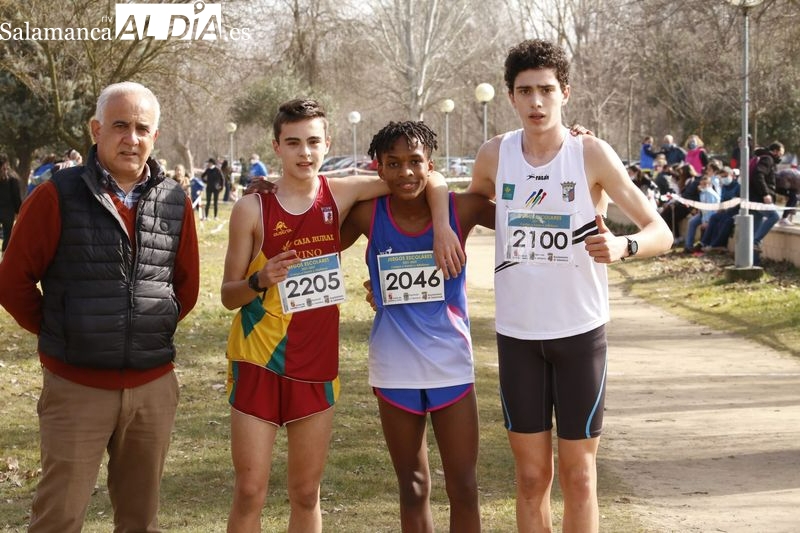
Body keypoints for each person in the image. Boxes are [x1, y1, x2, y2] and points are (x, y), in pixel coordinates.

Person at [220, 98, 463, 533]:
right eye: (293, 142)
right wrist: (260, 280)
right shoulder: (251, 209)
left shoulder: (341, 192)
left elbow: (426, 175)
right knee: (250, 491)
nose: (305, 152)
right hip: (258, 360)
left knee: (306, 493)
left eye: (313, 142)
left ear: (327, 144)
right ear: (276, 146)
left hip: (316, 365)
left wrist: (443, 223)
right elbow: (227, 295)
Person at [465, 39, 672, 533]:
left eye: (546, 90)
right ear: (511, 97)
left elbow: (660, 231)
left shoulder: (590, 153)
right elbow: (465, 212)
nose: (536, 102)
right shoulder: (494, 154)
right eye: (525, 91)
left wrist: (623, 246)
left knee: (579, 476)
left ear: (565, 93)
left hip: (580, 333)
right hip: (518, 336)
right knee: (531, 477)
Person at [0, 81, 200, 532]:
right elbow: (12, 283)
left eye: (142, 129)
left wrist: (149, 328)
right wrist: (62, 329)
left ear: (155, 136)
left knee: (140, 520)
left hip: (152, 388)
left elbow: (185, 287)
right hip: (77, 387)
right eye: (120, 125)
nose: (132, 138)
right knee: (58, 518)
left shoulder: (175, 200)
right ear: (96, 129)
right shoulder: (56, 195)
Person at [340, 121, 494, 533]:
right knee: (412, 486)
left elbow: (523, 217)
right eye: (393, 163)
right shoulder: (369, 214)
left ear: (431, 165)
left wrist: (574, 160)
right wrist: (271, 194)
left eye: (414, 162)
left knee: (464, 486)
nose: (405, 172)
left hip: (450, 364)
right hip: (395, 366)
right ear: (379, 168)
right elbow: (315, 235)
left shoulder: (460, 210)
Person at [696, 166, 740, 253]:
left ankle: (716, 245)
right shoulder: (724, 187)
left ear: (731, 175)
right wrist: (721, 208)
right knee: (714, 218)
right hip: (725, 211)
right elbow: (722, 200)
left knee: (725, 221)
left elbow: (737, 201)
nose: (724, 179)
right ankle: (704, 242)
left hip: (734, 212)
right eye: (722, 177)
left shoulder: (738, 186)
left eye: (725, 176)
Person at [750, 142, 784, 252]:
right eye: (781, 153)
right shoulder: (768, 159)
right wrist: (765, 194)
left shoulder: (760, 157)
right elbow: (758, 175)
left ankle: (753, 258)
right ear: (775, 151)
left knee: (756, 230)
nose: (781, 156)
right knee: (774, 216)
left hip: (753, 197)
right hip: (759, 197)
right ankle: (756, 241)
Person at [683, 173, 720, 253]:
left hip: (711, 217)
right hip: (703, 215)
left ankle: (702, 245)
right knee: (692, 222)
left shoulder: (710, 194)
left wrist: (706, 221)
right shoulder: (702, 193)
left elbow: (712, 210)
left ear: (709, 184)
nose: (703, 186)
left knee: (704, 227)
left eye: (705, 184)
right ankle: (689, 246)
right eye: (702, 184)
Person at [0, 153, 22, 255]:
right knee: (7, 234)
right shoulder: (12, 177)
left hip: (6, 209)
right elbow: (16, 196)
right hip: (8, 211)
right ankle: (4, 255)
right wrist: (18, 210)